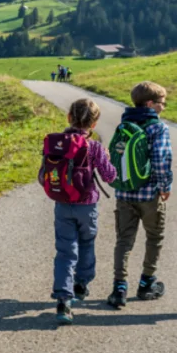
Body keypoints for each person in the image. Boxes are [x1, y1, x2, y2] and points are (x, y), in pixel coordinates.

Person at [48, 98, 117, 326]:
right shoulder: (94, 147)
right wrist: (105, 157)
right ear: (94, 124)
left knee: (65, 251)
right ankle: (81, 283)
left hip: (62, 204)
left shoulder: (56, 143)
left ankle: (63, 300)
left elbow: (45, 174)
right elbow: (109, 177)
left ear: (68, 117)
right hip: (87, 205)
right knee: (86, 243)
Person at [108, 81, 173, 308]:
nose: (163, 107)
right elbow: (161, 160)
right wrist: (165, 186)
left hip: (124, 192)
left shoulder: (123, 124)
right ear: (149, 103)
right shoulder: (158, 128)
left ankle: (119, 288)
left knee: (124, 240)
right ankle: (146, 283)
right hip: (149, 194)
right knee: (154, 237)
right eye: (161, 103)